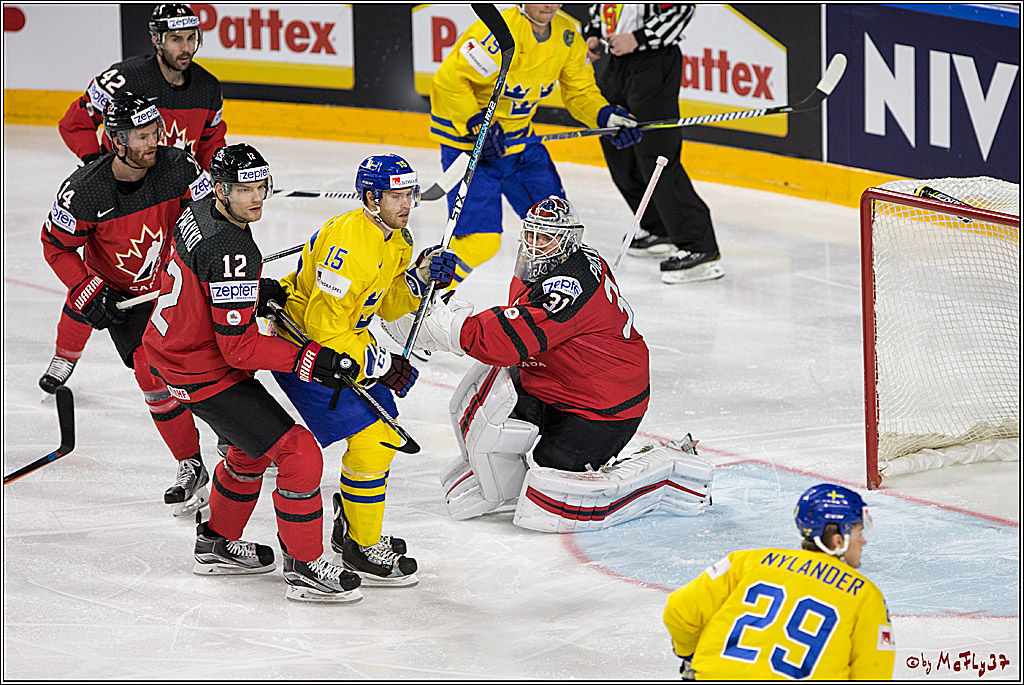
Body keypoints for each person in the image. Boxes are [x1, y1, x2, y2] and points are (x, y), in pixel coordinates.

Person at [394, 197, 714, 532]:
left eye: (546, 237)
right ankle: (497, 484)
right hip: (556, 375)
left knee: (553, 480)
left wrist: (450, 328)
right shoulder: (553, 262)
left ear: (568, 241)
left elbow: (505, 340)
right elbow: (519, 318)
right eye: (531, 234)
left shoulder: (568, 287)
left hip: (604, 404)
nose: (534, 244)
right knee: (488, 408)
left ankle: (663, 473)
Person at [141, 143, 364, 603]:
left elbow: (205, 280)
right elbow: (240, 348)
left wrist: (247, 295)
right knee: (298, 452)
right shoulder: (233, 247)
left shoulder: (199, 208)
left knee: (248, 451)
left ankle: (217, 543)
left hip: (173, 352)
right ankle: (304, 566)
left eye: (260, 184)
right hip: (201, 367)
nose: (256, 196)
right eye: (244, 188)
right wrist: (310, 358)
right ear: (221, 189)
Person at [270, 153, 457, 587]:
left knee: (383, 433)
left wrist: (419, 278)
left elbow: (381, 303)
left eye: (409, 193)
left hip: (342, 343)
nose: (406, 203)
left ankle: (354, 529)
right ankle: (359, 543)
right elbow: (321, 328)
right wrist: (380, 363)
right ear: (371, 198)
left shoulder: (398, 239)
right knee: (375, 437)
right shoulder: (351, 245)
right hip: (303, 348)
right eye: (395, 195)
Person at [40, 94, 213, 518]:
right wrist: (88, 289)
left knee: (214, 364)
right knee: (151, 377)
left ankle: (233, 436)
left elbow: (209, 217)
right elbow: (56, 247)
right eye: (141, 135)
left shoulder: (180, 167)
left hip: (178, 287)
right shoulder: (83, 191)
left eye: (154, 131)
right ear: (116, 140)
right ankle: (190, 461)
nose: (153, 140)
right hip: (127, 302)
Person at [41, 3, 227, 395]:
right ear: (157, 39)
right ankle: (66, 354)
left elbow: (210, 142)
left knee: (162, 272)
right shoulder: (123, 79)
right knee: (99, 274)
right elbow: (74, 122)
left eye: (192, 37)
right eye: (176, 38)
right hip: (123, 192)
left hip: (174, 192)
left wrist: (219, 184)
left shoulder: (208, 87)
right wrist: (101, 169)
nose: (186, 47)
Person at [429, 3, 641, 287]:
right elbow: (450, 81)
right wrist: (476, 123)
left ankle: (549, 306)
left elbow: (580, 92)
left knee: (558, 232)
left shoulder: (567, 35)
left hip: (520, 143)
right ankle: (422, 294)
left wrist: (605, 116)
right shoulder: (498, 33)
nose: (550, 4)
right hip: (472, 146)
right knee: (480, 242)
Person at [663, 484, 895, 680]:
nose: (863, 542)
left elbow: (679, 610)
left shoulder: (746, 561)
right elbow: (872, 673)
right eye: (858, 532)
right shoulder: (866, 596)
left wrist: (690, 656)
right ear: (838, 540)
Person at [583, 4, 723, 284]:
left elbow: (681, 9)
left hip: (653, 63)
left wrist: (639, 37)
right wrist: (596, 33)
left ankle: (699, 245)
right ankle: (658, 226)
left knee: (657, 153)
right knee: (616, 144)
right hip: (617, 63)